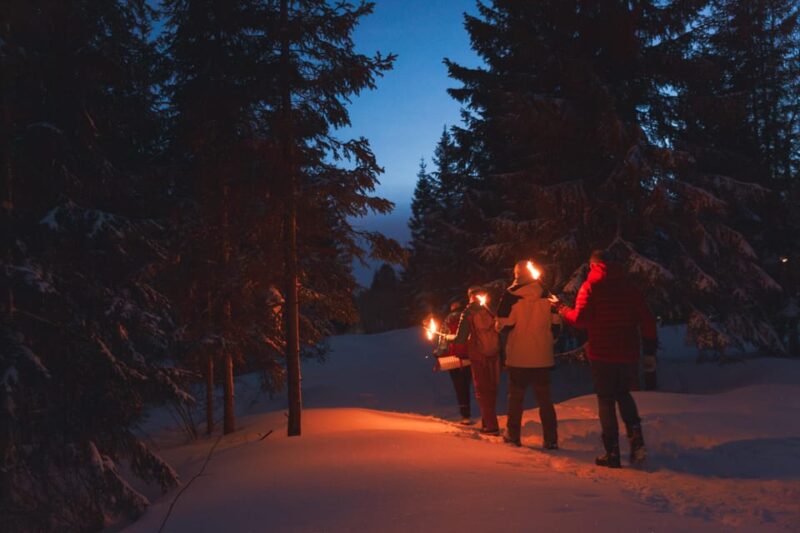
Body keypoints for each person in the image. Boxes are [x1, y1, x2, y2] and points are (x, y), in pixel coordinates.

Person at [555, 250, 658, 468]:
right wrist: (649, 349)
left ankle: (612, 453)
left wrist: (562, 309)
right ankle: (636, 442)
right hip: (628, 351)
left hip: (602, 353)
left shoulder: (591, 287)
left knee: (606, 400)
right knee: (624, 394)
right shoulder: (629, 288)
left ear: (593, 266)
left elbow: (580, 320)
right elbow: (647, 319)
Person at [495, 261, 561, 449]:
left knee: (516, 398)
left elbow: (503, 324)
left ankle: (513, 435)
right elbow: (556, 325)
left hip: (519, 357)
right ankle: (551, 439)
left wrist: (501, 323)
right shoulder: (548, 295)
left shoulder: (510, 296)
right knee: (545, 401)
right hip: (542, 357)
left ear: (517, 274)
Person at [450, 286, 501, 435]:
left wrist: (450, 339)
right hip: (494, 354)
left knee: (482, 391)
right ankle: (487, 421)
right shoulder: (490, 310)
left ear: (470, 296)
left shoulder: (468, 312)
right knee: (492, 389)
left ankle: (491, 426)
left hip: (478, 355)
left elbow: (460, 338)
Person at [436, 300, 473, 424]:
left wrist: (438, 353)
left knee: (459, 386)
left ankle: (465, 415)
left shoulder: (447, 321)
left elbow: (443, 342)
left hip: (452, 359)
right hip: (468, 357)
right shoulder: (468, 318)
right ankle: (472, 412)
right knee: (467, 385)